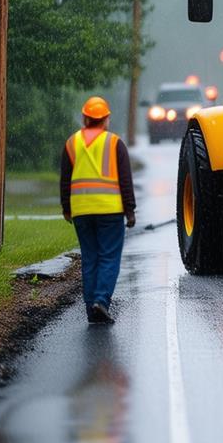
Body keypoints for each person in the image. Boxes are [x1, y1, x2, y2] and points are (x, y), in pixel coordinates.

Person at [60, 96, 135, 324]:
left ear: (85, 118)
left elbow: (65, 179)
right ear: (106, 119)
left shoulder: (72, 143)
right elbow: (125, 179)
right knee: (109, 257)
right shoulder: (114, 143)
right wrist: (130, 210)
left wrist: (66, 208)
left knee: (90, 257)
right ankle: (100, 301)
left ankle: (89, 306)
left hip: (82, 211)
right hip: (110, 210)